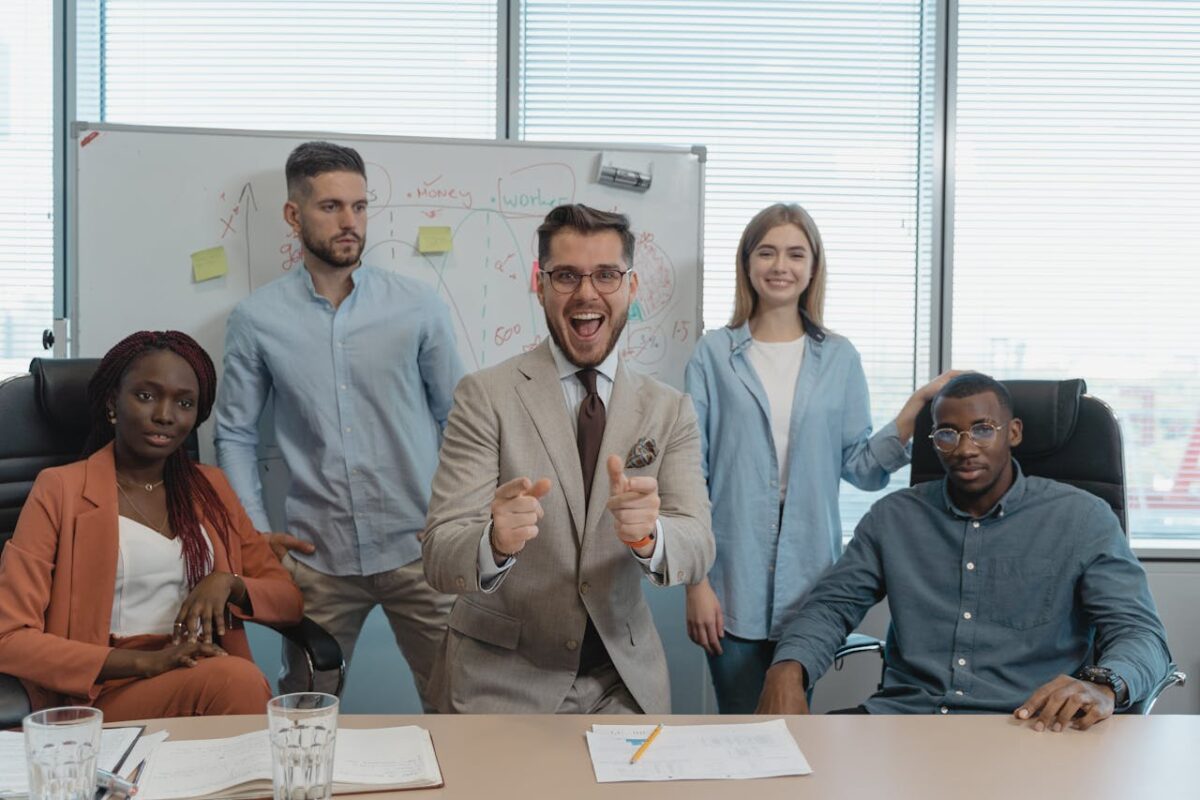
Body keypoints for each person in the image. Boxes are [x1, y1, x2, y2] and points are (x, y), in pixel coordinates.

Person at [421, 204, 714, 714]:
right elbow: (439, 554)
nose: (586, 293)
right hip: (503, 681)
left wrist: (652, 537)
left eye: (606, 275)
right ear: (539, 285)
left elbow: (698, 543)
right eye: (565, 276)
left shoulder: (670, 410)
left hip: (623, 681)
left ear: (631, 286)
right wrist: (491, 541)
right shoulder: (484, 397)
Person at [756, 372, 1172, 729]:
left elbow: (1140, 634)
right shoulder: (894, 518)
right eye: (948, 434)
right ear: (933, 441)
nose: (965, 447)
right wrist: (787, 670)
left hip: (1033, 727)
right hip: (904, 723)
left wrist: (1104, 684)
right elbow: (831, 607)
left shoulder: (1082, 518)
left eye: (983, 429)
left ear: (1014, 433)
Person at [214, 141, 464, 705]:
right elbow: (233, 433)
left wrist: (457, 514)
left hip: (418, 547)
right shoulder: (257, 320)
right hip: (317, 556)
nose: (350, 222)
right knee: (304, 705)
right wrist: (255, 535)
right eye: (331, 207)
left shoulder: (417, 306)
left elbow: (459, 418)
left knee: (456, 700)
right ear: (293, 214)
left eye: (359, 206)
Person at [684, 202, 956, 713]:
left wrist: (912, 412)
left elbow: (859, 466)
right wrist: (696, 583)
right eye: (766, 252)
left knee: (791, 727)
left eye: (794, 254)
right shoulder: (713, 354)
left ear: (812, 267)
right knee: (742, 728)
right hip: (728, 580)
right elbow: (690, 475)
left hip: (810, 583)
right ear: (747, 264)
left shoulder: (840, 357)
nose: (779, 266)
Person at [0, 331, 303, 721]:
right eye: (146, 396)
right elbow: (9, 638)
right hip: (102, 688)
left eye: (184, 403)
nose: (165, 414)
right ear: (113, 404)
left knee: (231, 681)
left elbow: (289, 601)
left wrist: (229, 582)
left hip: (198, 671)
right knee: (235, 683)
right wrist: (147, 663)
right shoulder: (61, 489)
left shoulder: (210, 487)